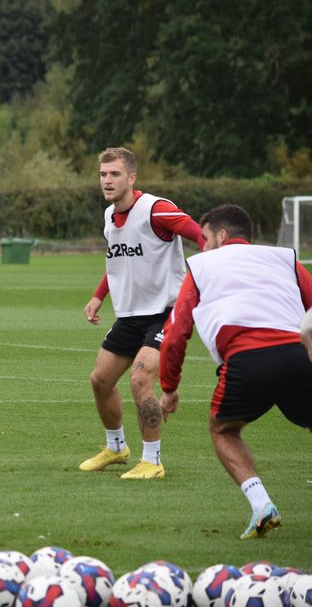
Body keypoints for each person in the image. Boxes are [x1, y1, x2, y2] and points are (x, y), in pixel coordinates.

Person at [159, 204, 312, 539]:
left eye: (205, 238)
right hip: (297, 355)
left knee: (223, 430)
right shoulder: (284, 258)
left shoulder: (201, 266)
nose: (202, 245)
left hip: (248, 360)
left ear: (222, 236)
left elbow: (176, 332)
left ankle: (262, 506)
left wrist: (169, 386)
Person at [80, 147, 205, 479]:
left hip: (166, 312)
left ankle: (153, 460)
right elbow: (119, 260)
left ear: (132, 177)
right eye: (103, 174)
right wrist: (98, 297)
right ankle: (117, 447)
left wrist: (211, 274)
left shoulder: (157, 210)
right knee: (100, 379)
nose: (107, 180)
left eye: (115, 174)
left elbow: (202, 237)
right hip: (131, 314)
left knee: (140, 380)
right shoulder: (109, 216)